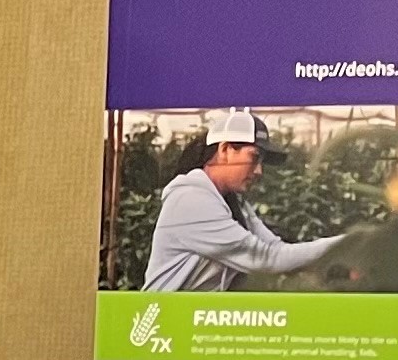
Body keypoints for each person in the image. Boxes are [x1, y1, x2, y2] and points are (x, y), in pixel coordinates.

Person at [139, 111, 354, 291]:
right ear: (225, 150)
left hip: (192, 322)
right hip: (163, 324)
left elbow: (276, 249)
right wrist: (351, 243)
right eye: (254, 158)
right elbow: (267, 259)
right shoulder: (191, 200)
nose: (259, 171)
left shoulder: (232, 202)